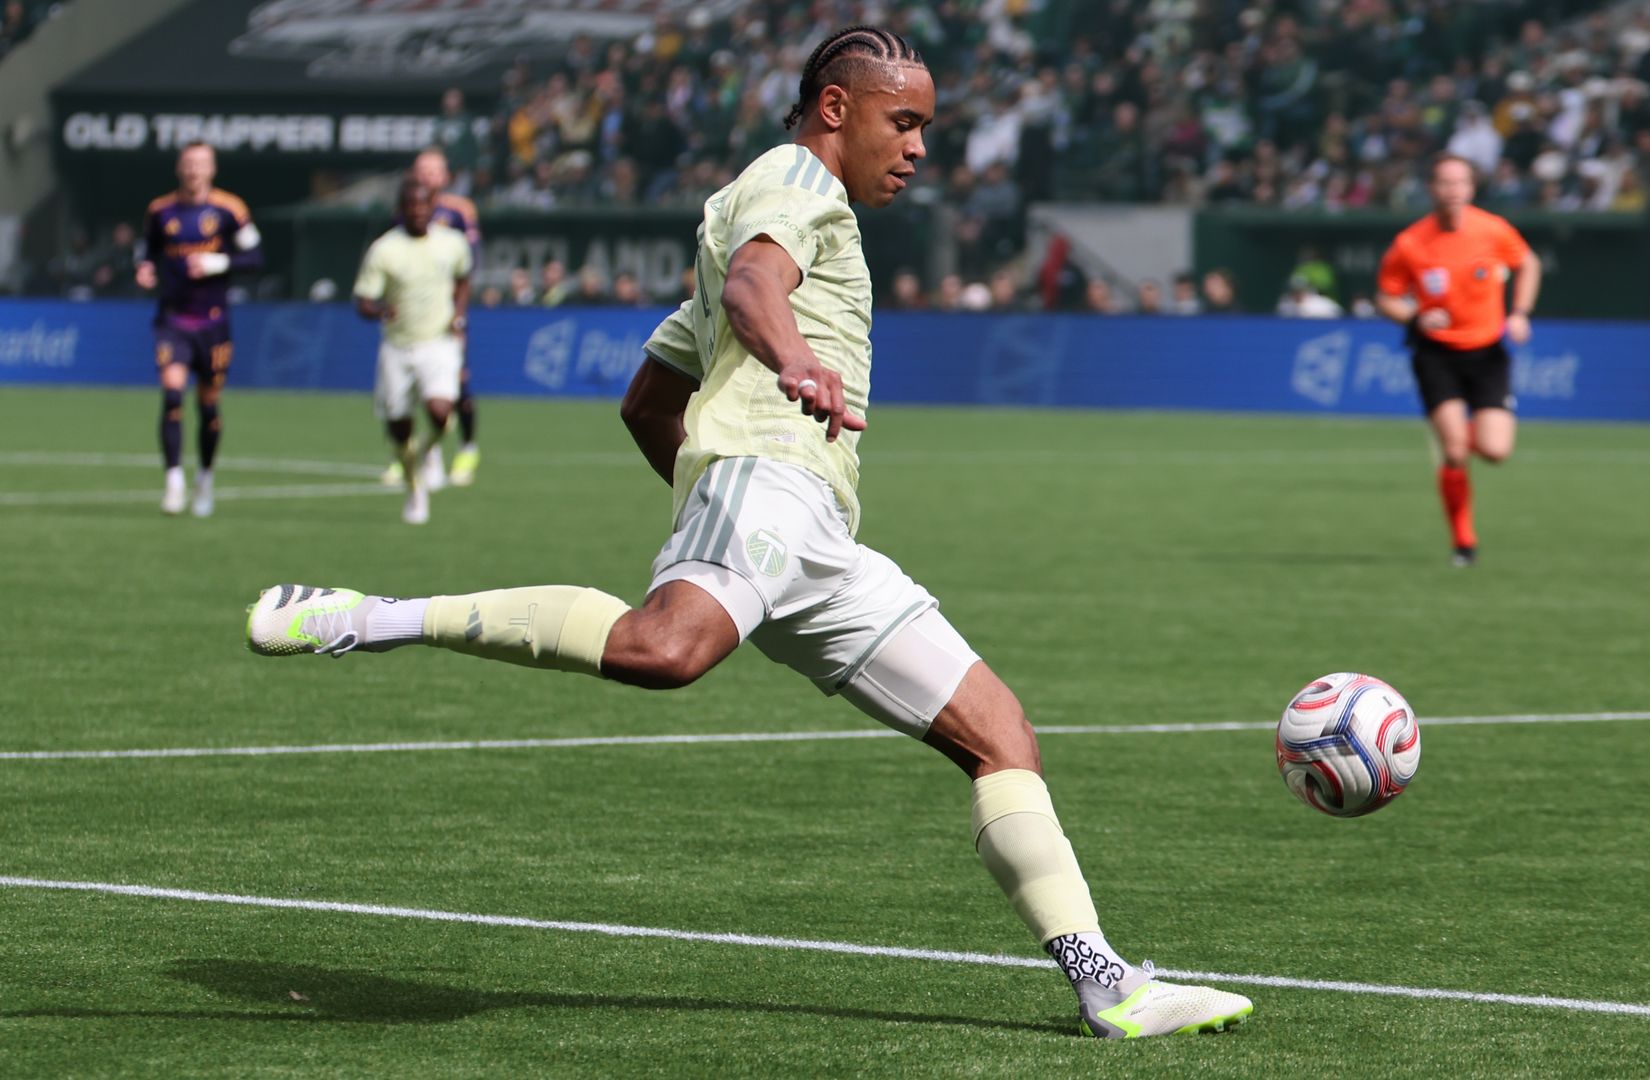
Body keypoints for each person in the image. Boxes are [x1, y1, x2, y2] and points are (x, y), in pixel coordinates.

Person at [246, 25, 1251, 1041]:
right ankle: (374, 617)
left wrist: (705, 498)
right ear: (835, 109)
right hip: (772, 489)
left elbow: (648, 402)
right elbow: (753, 289)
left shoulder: (776, 218)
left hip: (815, 535)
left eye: (927, 128)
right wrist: (792, 371)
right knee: (666, 650)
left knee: (1001, 735)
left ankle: (1106, 984)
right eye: (902, 122)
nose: (917, 148)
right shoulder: (789, 186)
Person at [1375, 154, 1541, 567]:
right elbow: (1385, 297)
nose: (1452, 191)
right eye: (1444, 183)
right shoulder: (1410, 243)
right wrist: (1414, 314)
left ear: (1471, 188)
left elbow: (1529, 264)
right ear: (1431, 189)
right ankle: (1464, 542)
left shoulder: (1492, 230)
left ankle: (1463, 429)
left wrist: (1519, 313)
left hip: (1487, 353)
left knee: (1495, 451)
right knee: (1453, 450)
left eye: (1460, 183)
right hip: (1436, 354)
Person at [136, 141, 262, 517]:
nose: (194, 171)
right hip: (173, 319)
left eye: (201, 164)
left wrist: (216, 263)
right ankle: (173, 482)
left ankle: (204, 478)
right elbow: (147, 251)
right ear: (179, 167)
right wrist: (143, 269)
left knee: (208, 406)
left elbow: (256, 257)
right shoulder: (160, 211)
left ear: (212, 169)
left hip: (213, 322)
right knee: (172, 396)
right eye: (188, 164)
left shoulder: (230, 209)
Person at [351, 179, 472, 525]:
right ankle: (414, 484)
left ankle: (427, 454)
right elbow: (363, 300)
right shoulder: (385, 249)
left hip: (439, 342)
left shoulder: (452, 242)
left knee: (439, 411)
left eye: (424, 205)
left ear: (432, 206)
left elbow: (465, 277)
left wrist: (459, 312)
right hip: (398, 346)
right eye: (411, 206)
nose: (418, 212)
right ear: (401, 210)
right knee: (399, 428)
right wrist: (379, 310)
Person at [382, 149, 486, 490]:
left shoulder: (459, 210)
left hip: (446, 316)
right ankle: (414, 454)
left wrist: (457, 311)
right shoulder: (404, 211)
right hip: (410, 319)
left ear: (445, 176)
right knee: (408, 393)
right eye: (422, 170)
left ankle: (467, 449)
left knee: (458, 385)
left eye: (434, 171)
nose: (428, 177)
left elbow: (470, 261)